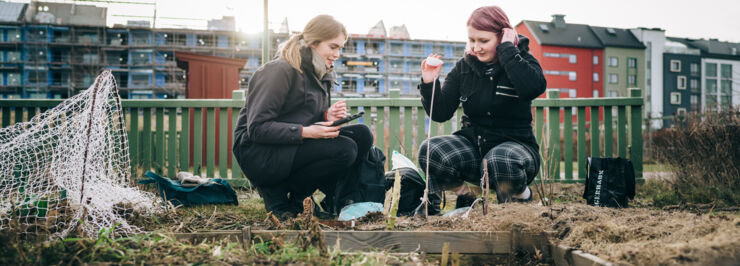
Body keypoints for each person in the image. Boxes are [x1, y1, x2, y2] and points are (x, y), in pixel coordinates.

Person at [233, 15, 373, 218]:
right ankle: (289, 199)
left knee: (362, 135)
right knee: (345, 149)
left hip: (289, 145)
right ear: (313, 43)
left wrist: (327, 115)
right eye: (333, 47)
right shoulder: (278, 70)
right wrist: (307, 131)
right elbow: (257, 129)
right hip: (260, 153)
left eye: (340, 48)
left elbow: (300, 114)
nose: (337, 54)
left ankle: (331, 198)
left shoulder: (319, 74)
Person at [417, 6, 546, 208]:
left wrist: (507, 52)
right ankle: (469, 197)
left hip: (515, 152)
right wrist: (429, 82)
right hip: (474, 148)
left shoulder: (521, 60)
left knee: (499, 161)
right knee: (430, 151)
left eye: (483, 41)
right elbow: (440, 113)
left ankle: (522, 198)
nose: (476, 48)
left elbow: (533, 88)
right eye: (472, 40)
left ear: (503, 36)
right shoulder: (464, 68)